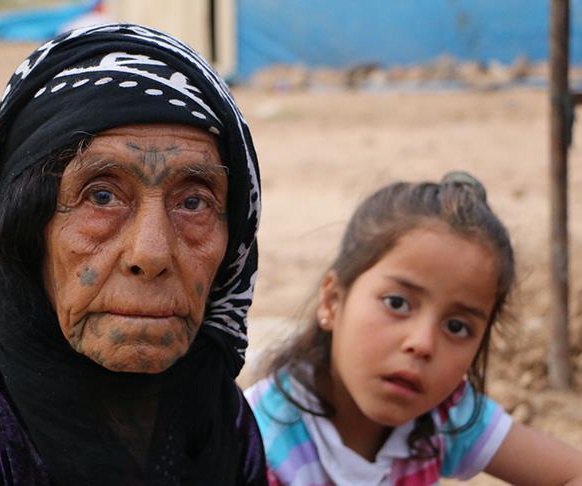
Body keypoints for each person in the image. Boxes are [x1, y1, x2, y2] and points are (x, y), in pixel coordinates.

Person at [0, 24, 266, 485]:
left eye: (193, 202)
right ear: (28, 230)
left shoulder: (217, 417)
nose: (151, 254)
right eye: (101, 197)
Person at [246, 173, 582, 485]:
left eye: (456, 327)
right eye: (397, 303)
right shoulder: (256, 442)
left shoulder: (447, 415)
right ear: (333, 301)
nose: (422, 343)